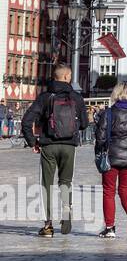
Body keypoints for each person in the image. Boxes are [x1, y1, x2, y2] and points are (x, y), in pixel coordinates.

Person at [22, 64, 89, 237]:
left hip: (48, 145)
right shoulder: (77, 98)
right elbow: (84, 124)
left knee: (46, 184)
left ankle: (48, 226)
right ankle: (66, 211)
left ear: (54, 77)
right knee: (66, 182)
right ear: (67, 77)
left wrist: (32, 142)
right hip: (69, 147)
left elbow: (26, 121)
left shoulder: (45, 97)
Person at [95, 82, 127, 239]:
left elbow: (100, 138)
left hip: (111, 158)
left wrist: (98, 155)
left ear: (115, 95)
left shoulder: (109, 114)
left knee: (109, 192)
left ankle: (110, 228)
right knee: (126, 190)